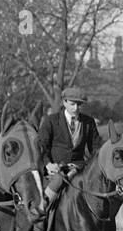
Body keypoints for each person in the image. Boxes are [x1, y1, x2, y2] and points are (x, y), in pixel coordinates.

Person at [35, 87, 96, 219]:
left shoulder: (89, 122)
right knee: (58, 180)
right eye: (72, 104)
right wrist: (48, 164)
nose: (76, 108)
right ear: (64, 102)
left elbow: (95, 149)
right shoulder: (50, 120)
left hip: (79, 167)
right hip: (55, 169)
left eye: (79, 105)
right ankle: (40, 213)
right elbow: (41, 146)